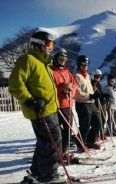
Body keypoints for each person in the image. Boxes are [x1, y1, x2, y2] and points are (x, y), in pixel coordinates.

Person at [8, 31, 67, 183]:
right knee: (53, 142)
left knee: (45, 143)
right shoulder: (28, 60)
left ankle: (37, 173)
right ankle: (48, 177)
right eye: (48, 44)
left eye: (52, 45)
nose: (51, 48)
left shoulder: (43, 64)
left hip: (50, 109)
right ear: (37, 45)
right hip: (41, 111)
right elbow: (15, 84)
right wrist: (30, 100)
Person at [50, 48, 77, 161]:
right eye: (61, 58)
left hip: (67, 104)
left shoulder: (67, 71)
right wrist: (61, 87)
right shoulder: (51, 71)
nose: (63, 61)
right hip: (56, 105)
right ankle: (57, 151)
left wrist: (70, 90)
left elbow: (74, 85)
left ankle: (64, 151)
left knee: (67, 129)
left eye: (65, 59)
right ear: (56, 59)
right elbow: (49, 88)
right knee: (56, 130)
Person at [74, 55, 101, 151]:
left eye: (87, 64)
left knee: (97, 122)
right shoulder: (77, 76)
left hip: (91, 102)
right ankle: (80, 144)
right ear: (79, 64)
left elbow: (89, 89)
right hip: (82, 103)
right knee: (85, 125)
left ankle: (90, 141)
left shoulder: (88, 75)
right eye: (83, 64)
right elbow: (76, 92)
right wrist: (90, 96)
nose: (85, 66)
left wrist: (95, 92)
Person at [91, 69, 107, 140]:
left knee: (103, 119)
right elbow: (92, 94)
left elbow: (100, 93)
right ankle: (96, 135)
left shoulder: (98, 83)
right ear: (93, 76)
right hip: (96, 104)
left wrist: (104, 95)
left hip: (101, 103)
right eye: (97, 76)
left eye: (100, 76)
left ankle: (101, 133)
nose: (98, 78)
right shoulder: (92, 83)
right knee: (97, 121)